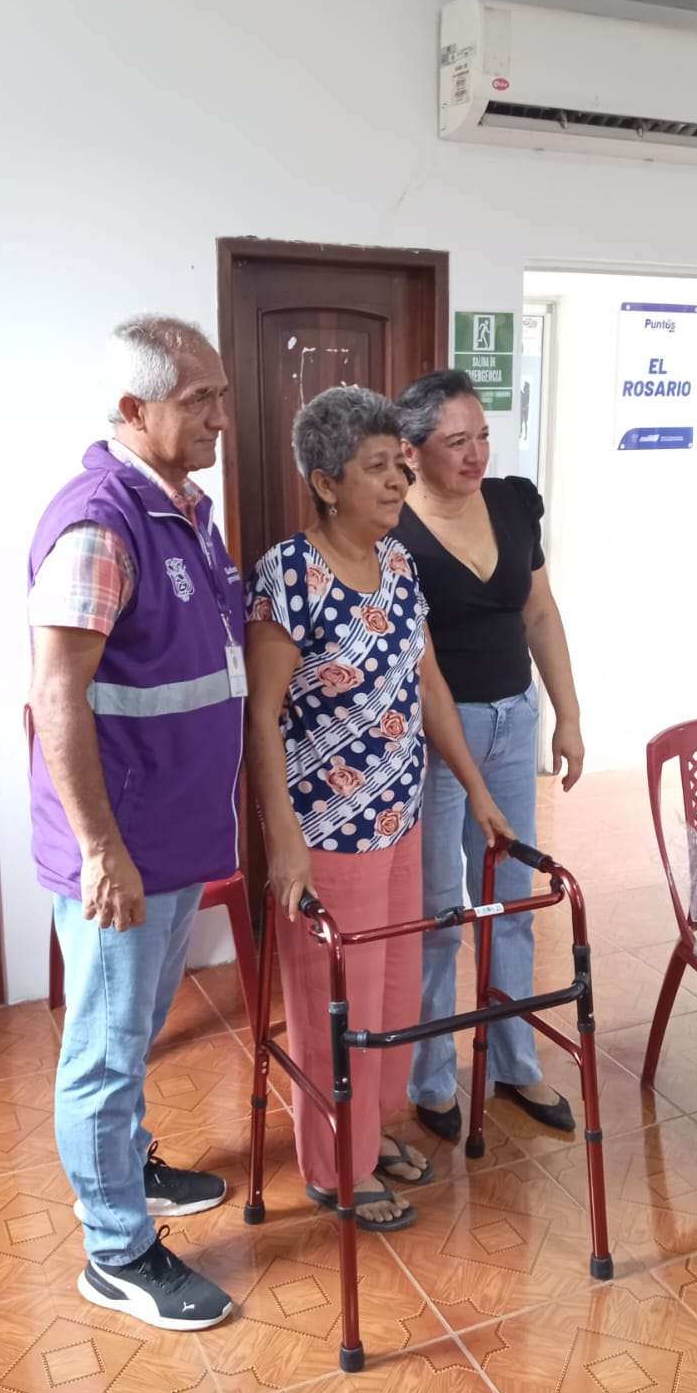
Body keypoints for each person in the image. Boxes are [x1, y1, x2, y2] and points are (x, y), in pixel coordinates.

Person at [244, 386, 512, 1231]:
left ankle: (371, 1132)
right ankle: (335, 1169)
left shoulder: (398, 564)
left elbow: (428, 683)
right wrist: (283, 841)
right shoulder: (290, 574)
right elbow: (259, 715)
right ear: (326, 483)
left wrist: (475, 788)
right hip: (327, 833)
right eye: (377, 467)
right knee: (338, 1011)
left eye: (400, 463)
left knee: (392, 999)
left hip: (399, 820)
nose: (399, 480)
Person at [27, 315, 243, 1331]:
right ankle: (115, 1250)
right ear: (132, 408)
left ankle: (127, 1164)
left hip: (174, 833)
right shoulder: (100, 524)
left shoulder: (184, 510)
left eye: (220, 395)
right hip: (124, 845)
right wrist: (100, 850)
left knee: (139, 1029)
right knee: (105, 1051)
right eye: (199, 399)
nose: (220, 416)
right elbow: (57, 695)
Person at [396, 368, 584, 1142]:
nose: (475, 454)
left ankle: (514, 1061)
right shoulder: (392, 527)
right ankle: (432, 1075)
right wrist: (464, 765)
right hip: (438, 736)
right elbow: (418, 667)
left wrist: (567, 714)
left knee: (511, 899)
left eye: (481, 436)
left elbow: (538, 611)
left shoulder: (509, 502)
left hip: (514, 719)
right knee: (440, 911)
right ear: (410, 452)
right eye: (455, 442)